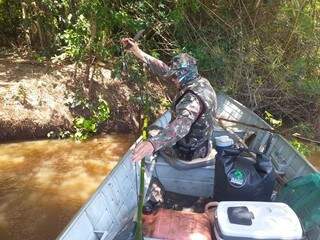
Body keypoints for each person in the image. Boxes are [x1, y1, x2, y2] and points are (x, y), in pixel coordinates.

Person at [121, 38, 217, 163]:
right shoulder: (200, 82)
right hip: (202, 145)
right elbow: (164, 69)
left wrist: (152, 143)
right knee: (158, 133)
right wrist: (137, 51)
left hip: (189, 152)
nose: (172, 79)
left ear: (184, 75)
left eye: (175, 76)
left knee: (152, 133)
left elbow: (181, 126)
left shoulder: (192, 99)